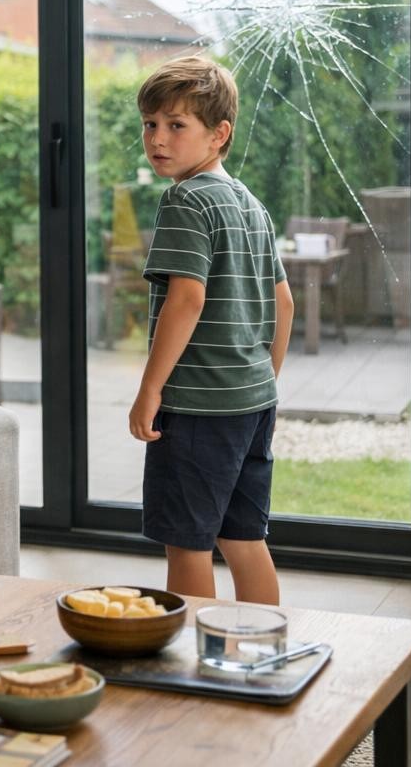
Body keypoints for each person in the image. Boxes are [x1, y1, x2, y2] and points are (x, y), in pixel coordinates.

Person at [126, 55, 295, 605]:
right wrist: (260, 379)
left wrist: (151, 390)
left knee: (188, 543)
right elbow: (284, 303)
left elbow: (187, 297)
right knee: (244, 536)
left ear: (218, 134)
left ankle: (195, 664)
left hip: (197, 405)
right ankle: (264, 648)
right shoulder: (251, 205)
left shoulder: (186, 199)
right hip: (251, 402)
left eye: (178, 126)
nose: (159, 139)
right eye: (151, 124)